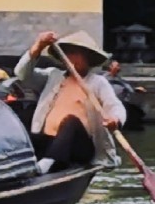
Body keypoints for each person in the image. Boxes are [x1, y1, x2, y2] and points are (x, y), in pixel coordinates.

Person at [27, 36, 129, 173]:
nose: (71, 58)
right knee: (22, 114)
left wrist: (115, 119)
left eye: (76, 54)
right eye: (68, 54)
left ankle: (48, 163)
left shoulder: (97, 82)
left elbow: (115, 105)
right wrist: (38, 47)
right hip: (49, 141)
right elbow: (23, 75)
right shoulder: (53, 76)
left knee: (71, 121)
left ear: (88, 58)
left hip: (79, 147)